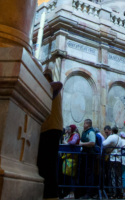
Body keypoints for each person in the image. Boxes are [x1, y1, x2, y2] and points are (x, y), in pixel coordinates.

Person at [37, 69, 64, 200]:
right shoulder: (49, 89)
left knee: (48, 165)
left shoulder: (50, 87)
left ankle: (51, 196)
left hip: (51, 129)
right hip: (50, 128)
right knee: (46, 165)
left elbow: (59, 84)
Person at [79, 119, 100, 199]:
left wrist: (82, 144)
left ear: (88, 124)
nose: (83, 125)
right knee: (86, 173)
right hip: (85, 155)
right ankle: (85, 192)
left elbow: (92, 143)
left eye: (84, 123)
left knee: (89, 174)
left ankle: (89, 193)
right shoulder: (85, 132)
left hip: (90, 155)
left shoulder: (91, 132)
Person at [103, 126, 123, 198]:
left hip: (113, 158)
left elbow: (104, 143)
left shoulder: (112, 137)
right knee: (119, 176)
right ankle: (120, 193)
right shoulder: (119, 138)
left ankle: (114, 193)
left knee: (113, 176)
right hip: (119, 159)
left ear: (111, 130)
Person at [63, 125, 81, 199]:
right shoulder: (71, 135)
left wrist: (66, 143)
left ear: (73, 129)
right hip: (68, 158)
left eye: (70, 129)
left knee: (71, 177)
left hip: (72, 159)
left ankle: (72, 193)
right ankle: (69, 193)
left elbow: (73, 142)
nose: (69, 130)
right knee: (68, 176)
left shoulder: (75, 135)